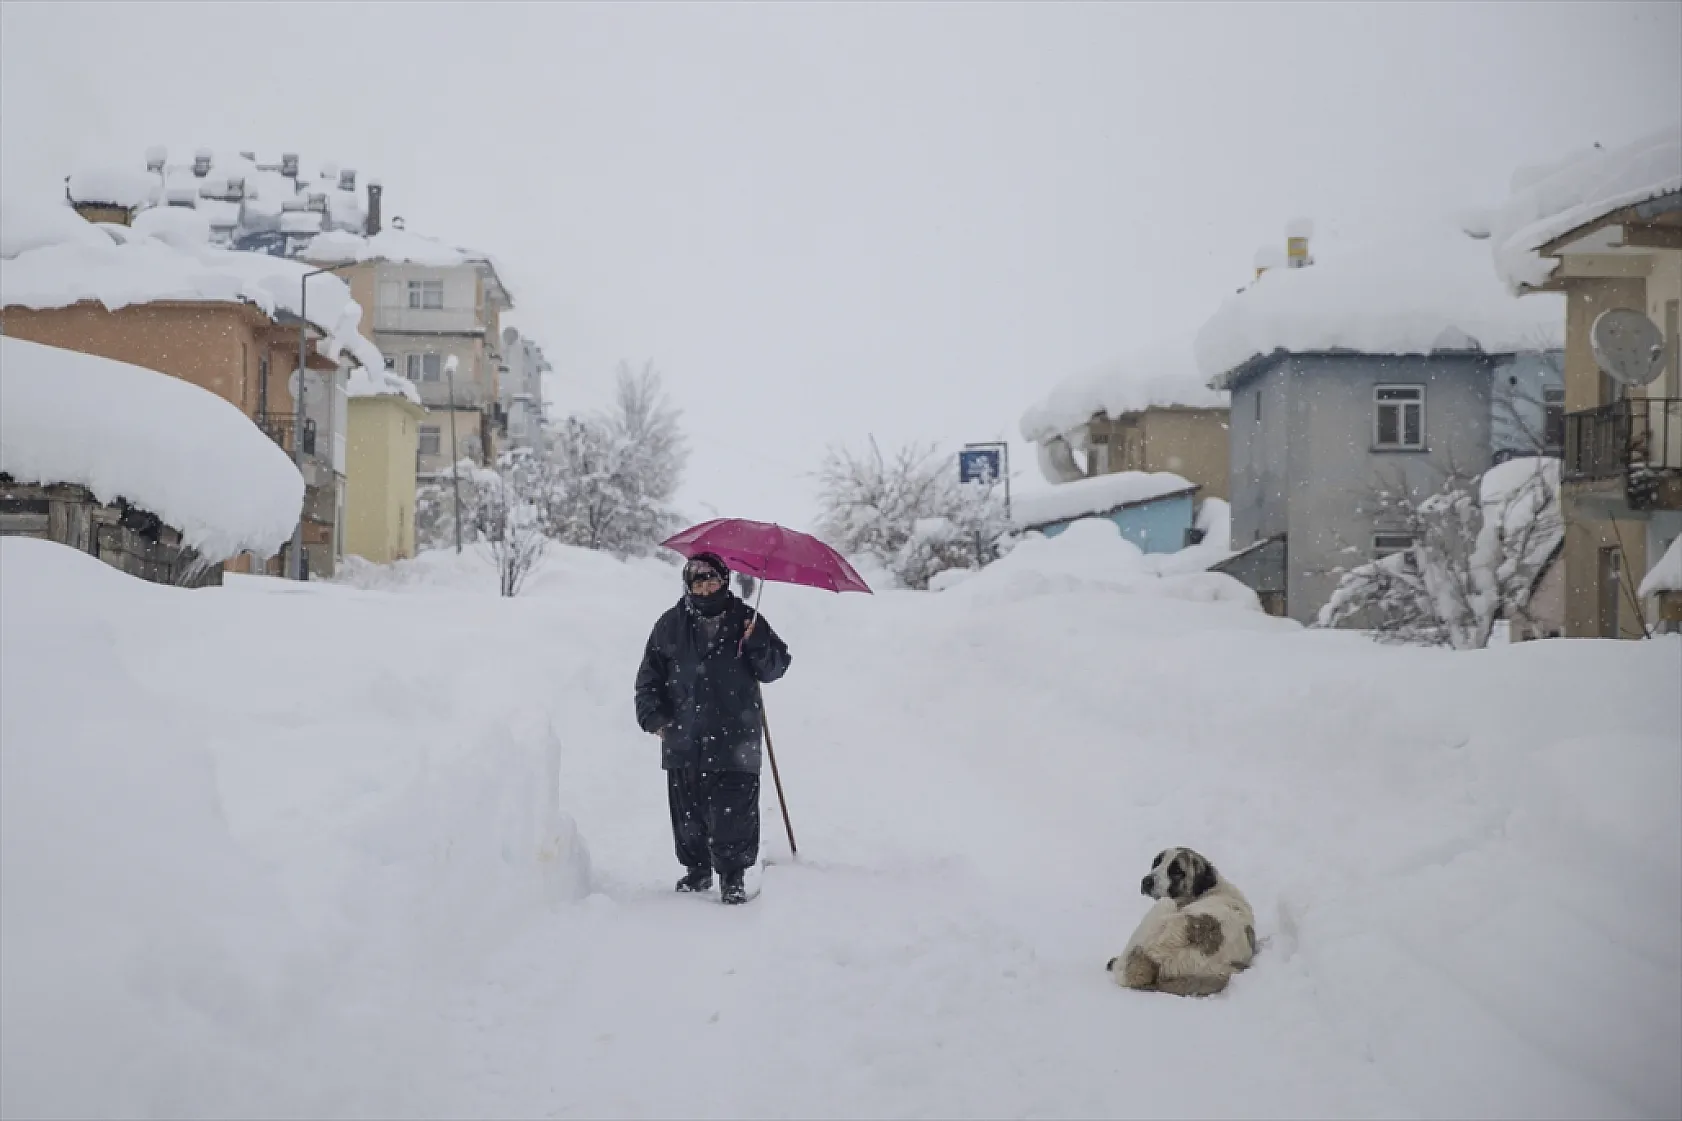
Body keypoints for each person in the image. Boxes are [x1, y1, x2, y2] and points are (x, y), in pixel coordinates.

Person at [634, 551, 791, 904]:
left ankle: (732, 877)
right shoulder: (669, 625)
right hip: (682, 735)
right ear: (689, 585)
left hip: (736, 734)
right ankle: (697, 869)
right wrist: (654, 718)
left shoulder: (747, 621)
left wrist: (757, 642)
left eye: (712, 579)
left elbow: (775, 667)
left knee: (733, 810)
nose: (706, 587)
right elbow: (648, 678)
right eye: (698, 580)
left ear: (725, 580)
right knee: (688, 812)